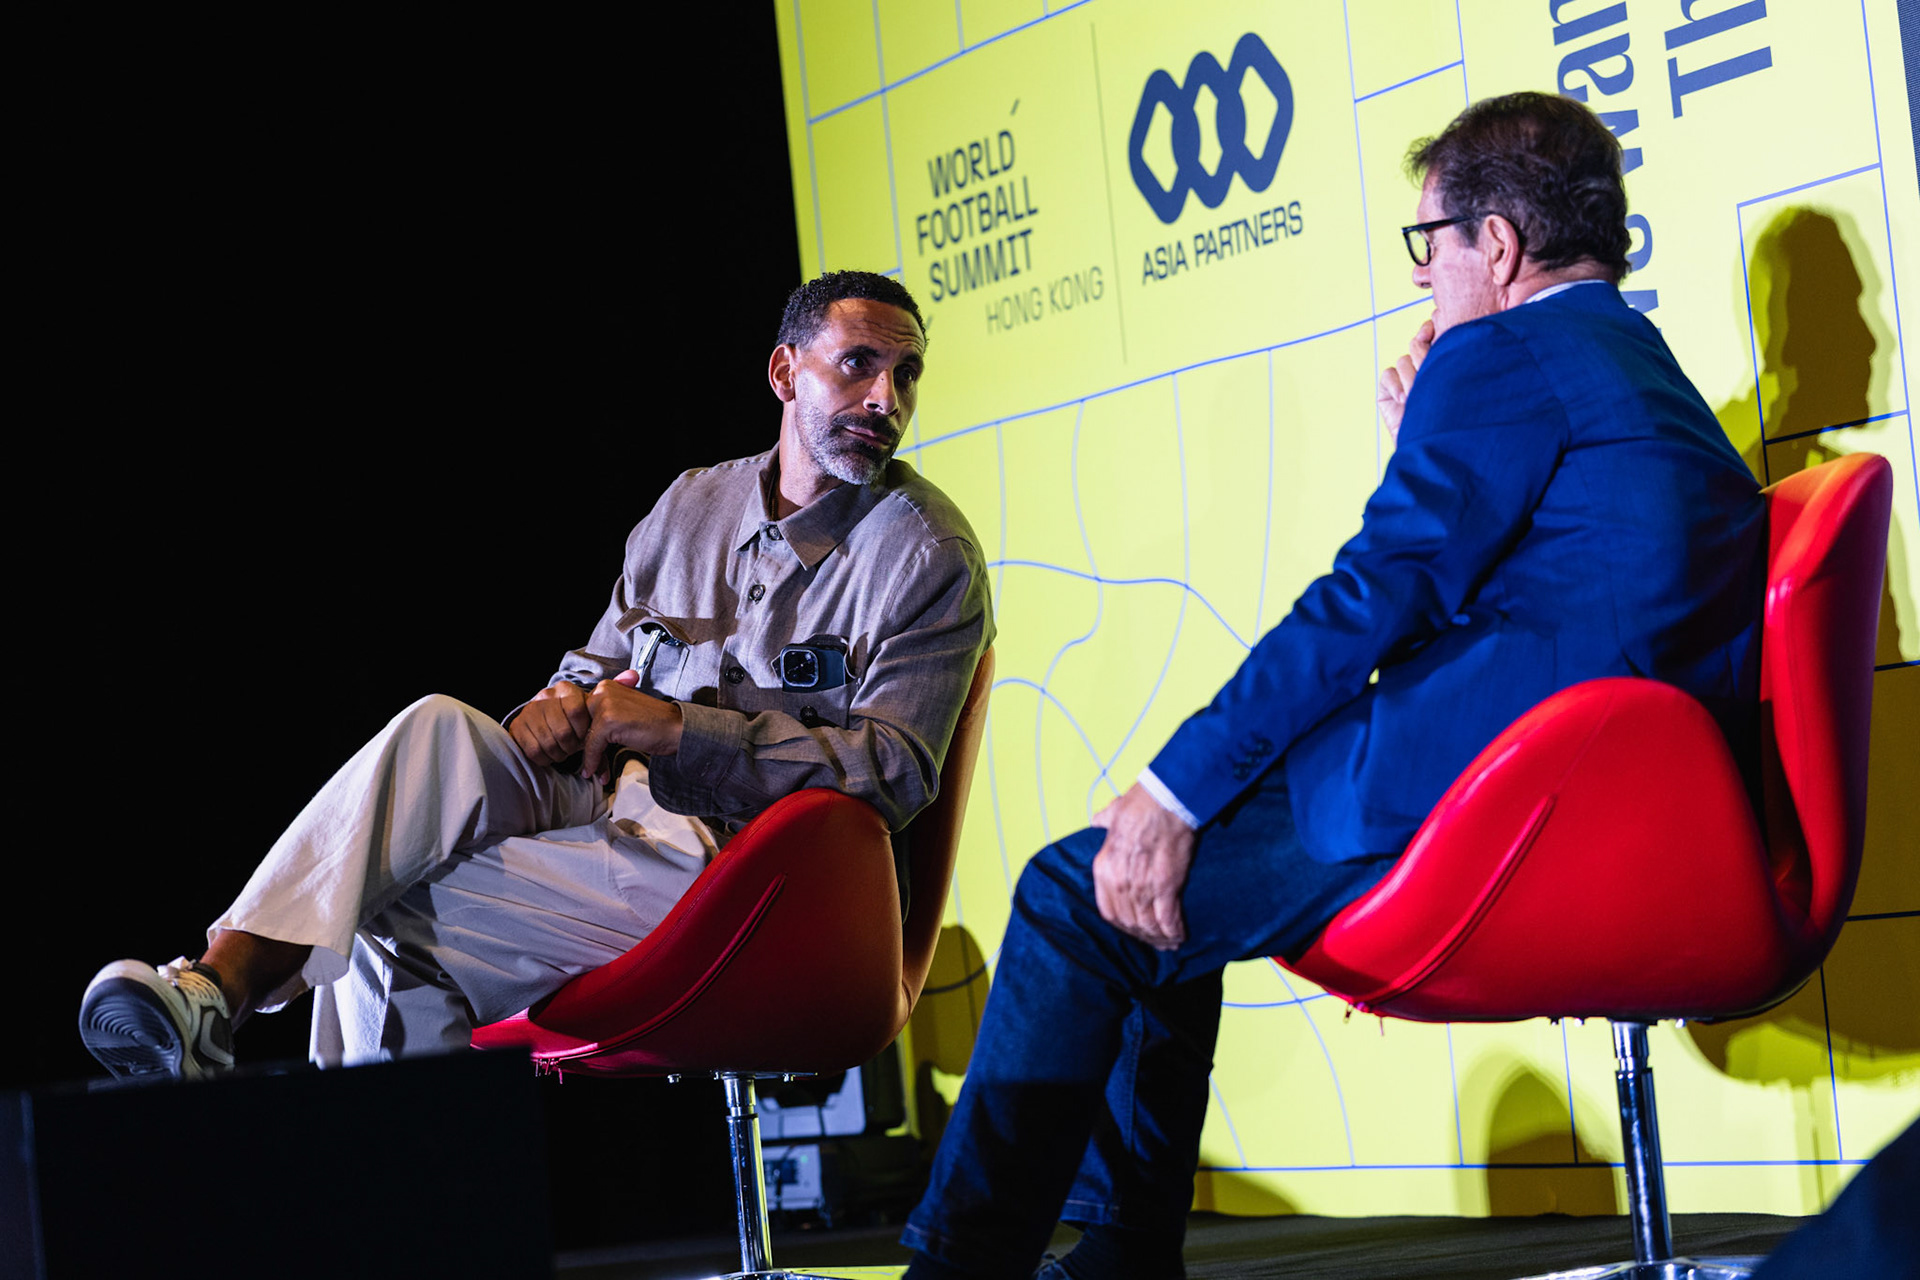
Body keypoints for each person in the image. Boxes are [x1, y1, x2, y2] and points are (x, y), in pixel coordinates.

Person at [898, 92, 1767, 1280]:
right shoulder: (1634, 359)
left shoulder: (1501, 353)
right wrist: (1419, 438)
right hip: (1634, 799)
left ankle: (966, 1266)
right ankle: (1119, 1251)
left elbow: (1376, 592)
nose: (1425, 281)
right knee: (1151, 903)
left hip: (1486, 800)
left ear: (1496, 247)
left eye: (1431, 245)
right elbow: (1533, 583)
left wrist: (1176, 786)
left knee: (1078, 893)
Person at [78, 269, 994, 1078]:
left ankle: (269, 1073)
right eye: (859, 365)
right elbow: (597, 662)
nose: (886, 397)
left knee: (375, 911)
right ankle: (214, 986)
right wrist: (556, 704)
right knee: (439, 724)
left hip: (746, 875)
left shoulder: (927, 554)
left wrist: (680, 731)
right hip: (611, 806)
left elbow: (895, 772)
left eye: (905, 373)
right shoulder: (692, 502)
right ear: (785, 373)